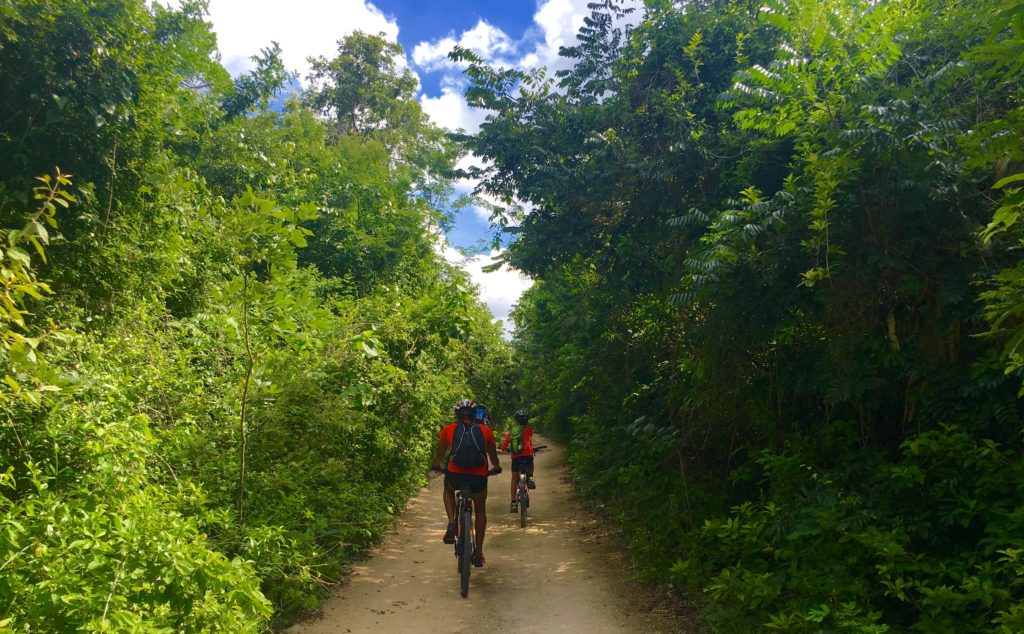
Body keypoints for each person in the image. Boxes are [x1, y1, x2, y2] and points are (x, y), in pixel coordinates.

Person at [433, 398, 502, 567]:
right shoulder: (485, 431)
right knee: (480, 510)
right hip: (478, 477)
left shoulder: (449, 430)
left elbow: (440, 453)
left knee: (448, 489)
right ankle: (478, 553)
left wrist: (436, 465)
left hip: (456, 475)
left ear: (456, 414)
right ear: (474, 414)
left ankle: (451, 522)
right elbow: (493, 456)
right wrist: (496, 466)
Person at [501, 409, 536, 513]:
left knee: (514, 480)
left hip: (516, 457)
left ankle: (513, 503)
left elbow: (504, 445)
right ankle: (530, 478)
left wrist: (505, 449)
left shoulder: (512, 431)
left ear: (516, 420)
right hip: (527, 456)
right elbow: (529, 441)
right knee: (531, 460)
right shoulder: (529, 429)